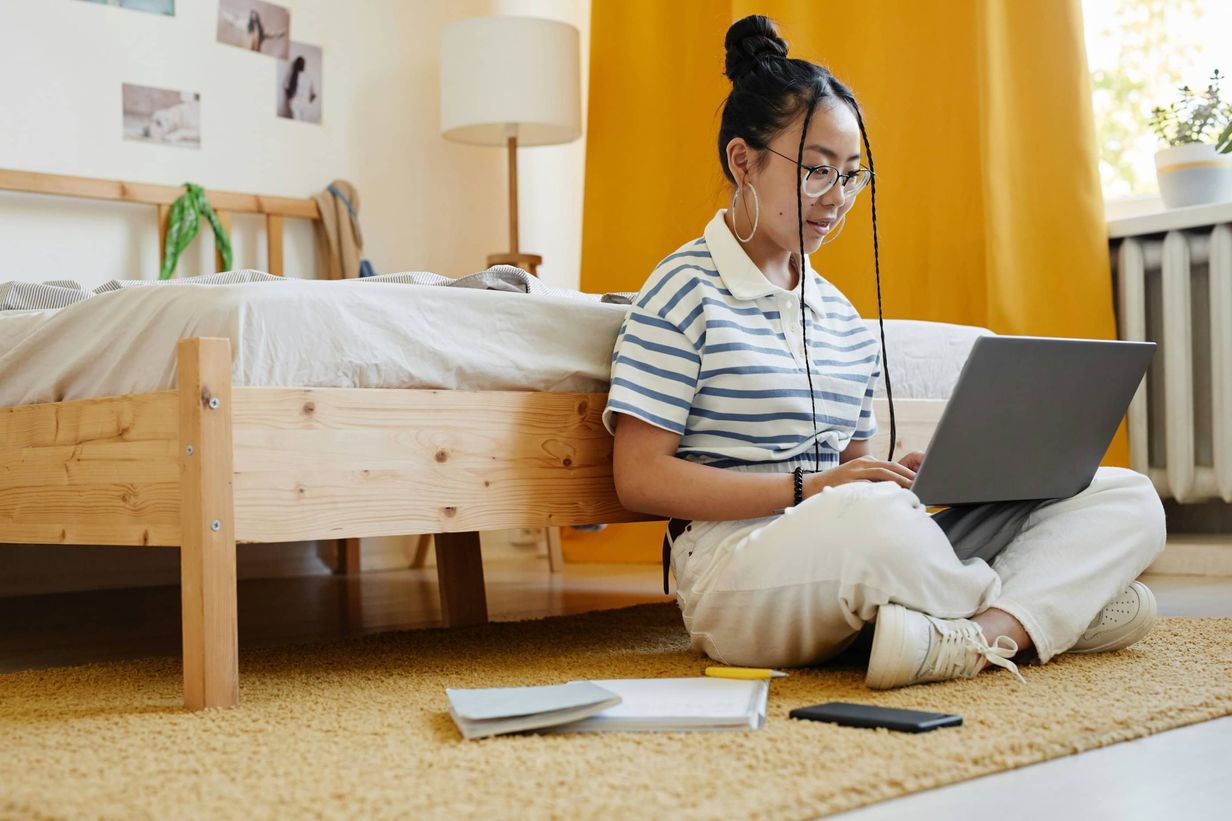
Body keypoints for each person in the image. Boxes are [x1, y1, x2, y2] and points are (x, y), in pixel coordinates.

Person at [604, 15, 1166, 689]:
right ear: (741, 160)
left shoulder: (842, 318)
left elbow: (853, 472)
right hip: (735, 566)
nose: (837, 199)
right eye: (817, 172)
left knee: (1126, 495)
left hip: (856, 539)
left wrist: (901, 475)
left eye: (851, 176)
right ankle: (1038, 611)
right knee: (872, 521)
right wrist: (815, 490)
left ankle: (971, 633)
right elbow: (637, 477)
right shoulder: (681, 289)